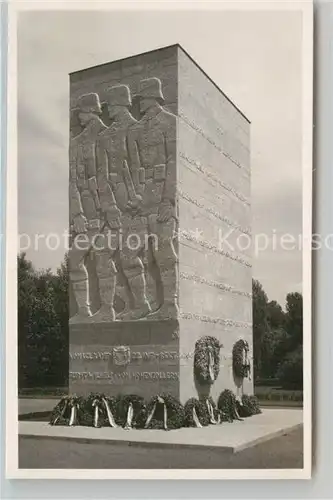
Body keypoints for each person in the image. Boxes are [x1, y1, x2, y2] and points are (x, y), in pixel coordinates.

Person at [96, 84, 151, 320]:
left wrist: (142, 196)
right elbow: (101, 174)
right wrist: (109, 207)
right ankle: (110, 308)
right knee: (102, 254)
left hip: (137, 208)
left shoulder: (141, 129)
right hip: (114, 207)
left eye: (111, 106)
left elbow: (149, 166)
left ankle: (142, 305)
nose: (107, 112)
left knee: (129, 256)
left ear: (120, 105)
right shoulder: (104, 136)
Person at [127, 77, 179, 320]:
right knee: (129, 252)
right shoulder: (139, 128)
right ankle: (143, 305)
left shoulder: (169, 122)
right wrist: (135, 196)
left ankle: (169, 305)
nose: (138, 104)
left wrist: (169, 199)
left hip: (161, 202)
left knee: (163, 253)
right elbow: (135, 165)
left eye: (141, 99)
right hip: (142, 202)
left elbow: (173, 161)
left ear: (151, 98)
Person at [68, 92, 109, 323]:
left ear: (91, 111)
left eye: (82, 113)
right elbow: (72, 181)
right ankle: (84, 310)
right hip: (87, 211)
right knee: (76, 258)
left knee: (106, 261)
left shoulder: (110, 136)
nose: (79, 118)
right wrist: (77, 214)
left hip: (111, 211)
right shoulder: (76, 143)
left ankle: (108, 309)